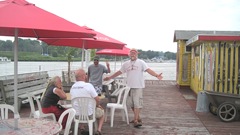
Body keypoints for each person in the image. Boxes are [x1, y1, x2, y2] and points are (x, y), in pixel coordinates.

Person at [104, 48, 163, 128]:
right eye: (131, 53)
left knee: (137, 104)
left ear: (137, 54)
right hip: (129, 87)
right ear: (129, 54)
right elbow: (119, 72)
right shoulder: (126, 64)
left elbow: (148, 70)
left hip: (138, 86)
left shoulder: (141, 62)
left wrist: (156, 75)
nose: (133, 54)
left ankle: (135, 120)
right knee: (130, 104)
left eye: (134, 53)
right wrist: (110, 77)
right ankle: (138, 118)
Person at [70, 68, 105, 135]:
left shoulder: (73, 87)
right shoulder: (88, 86)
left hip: (77, 115)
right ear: (83, 76)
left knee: (81, 108)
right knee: (102, 113)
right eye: (85, 74)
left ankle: (82, 127)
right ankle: (98, 130)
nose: (86, 76)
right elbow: (97, 99)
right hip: (89, 115)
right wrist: (98, 106)